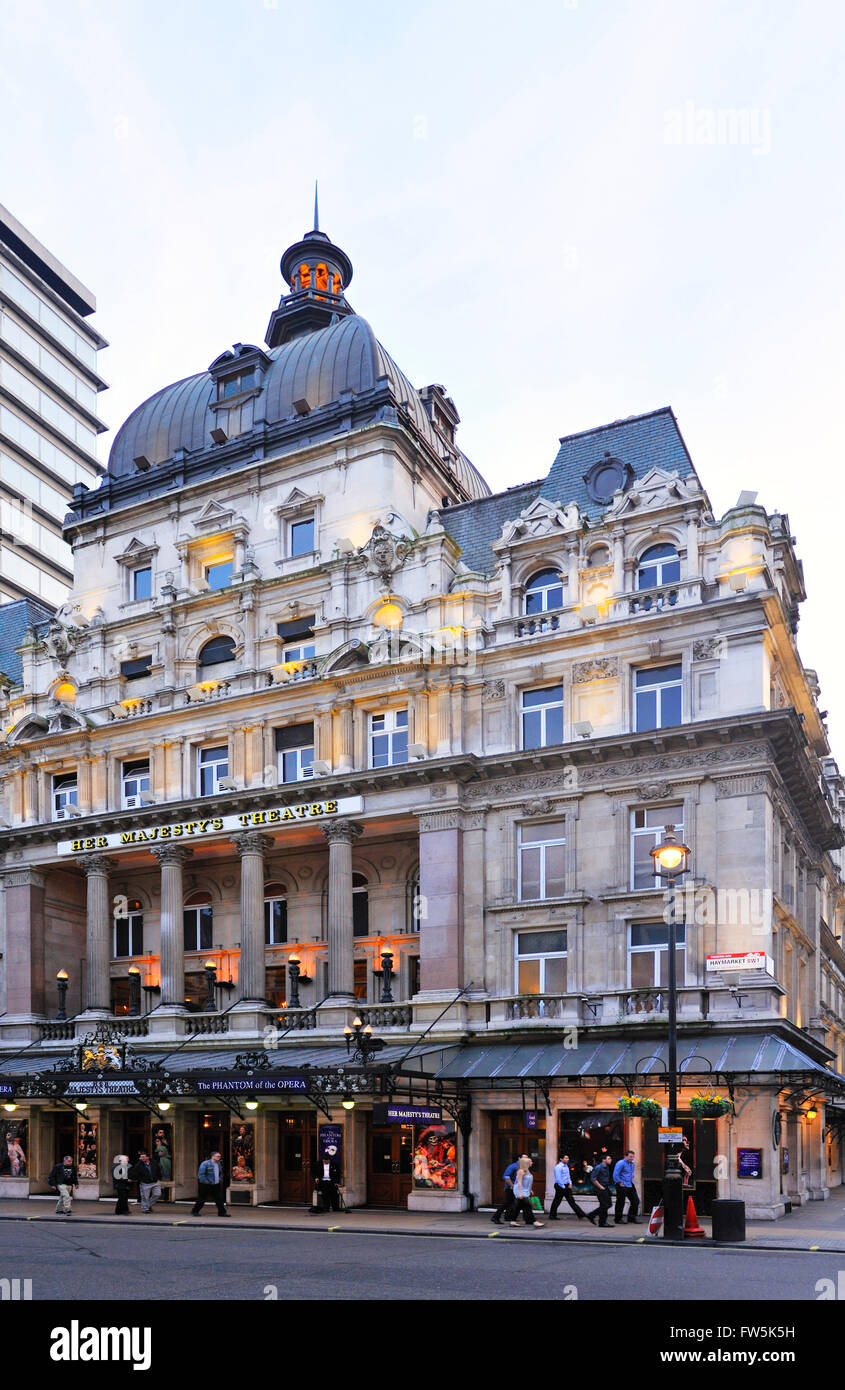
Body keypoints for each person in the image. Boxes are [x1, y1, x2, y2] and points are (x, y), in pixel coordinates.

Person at [549, 1153, 586, 1220]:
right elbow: (558, 1178)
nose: (567, 1159)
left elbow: (568, 1176)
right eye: (566, 1158)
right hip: (560, 1186)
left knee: (571, 1201)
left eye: (568, 1158)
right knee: (557, 1201)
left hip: (566, 1185)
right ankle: (552, 1215)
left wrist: (570, 1183)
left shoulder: (566, 1166)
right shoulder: (558, 1167)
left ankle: (580, 1214)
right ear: (561, 1159)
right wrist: (563, 1187)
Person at [509, 1156, 544, 1227]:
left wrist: (530, 1190)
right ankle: (534, 1221)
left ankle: (512, 1221)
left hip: (525, 1190)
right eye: (530, 1161)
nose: (532, 1162)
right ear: (525, 1163)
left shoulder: (527, 1171)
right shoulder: (521, 1171)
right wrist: (520, 1193)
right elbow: (519, 1183)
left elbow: (527, 1182)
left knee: (519, 1206)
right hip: (520, 1190)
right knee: (528, 1206)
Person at [192, 1151, 230, 1216]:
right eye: (218, 1156)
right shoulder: (205, 1163)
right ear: (213, 1156)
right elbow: (201, 1175)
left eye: (219, 1156)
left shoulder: (218, 1164)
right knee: (202, 1198)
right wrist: (207, 1182)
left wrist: (219, 1179)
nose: (219, 1157)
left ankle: (222, 1213)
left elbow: (220, 1173)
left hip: (216, 1184)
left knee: (219, 1198)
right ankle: (195, 1211)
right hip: (206, 1184)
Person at [491, 1153, 525, 1224]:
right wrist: (512, 1186)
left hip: (515, 1188)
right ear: (519, 1159)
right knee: (507, 1203)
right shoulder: (513, 1166)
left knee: (512, 1203)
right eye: (524, 1157)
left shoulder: (521, 1166)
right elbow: (506, 1177)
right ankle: (495, 1217)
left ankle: (508, 1217)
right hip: (510, 1188)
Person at [612, 1149, 640, 1224]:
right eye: (630, 1157)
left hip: (630, 1184)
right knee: (620, 1202)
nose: (632, 1158)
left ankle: (631, 1217)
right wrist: (619, 1182)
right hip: (622, 1184)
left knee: (635, 1201)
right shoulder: (620, 1163)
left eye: (633, 1157)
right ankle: (617, 1219)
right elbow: (615, 1174)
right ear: (626, 1156)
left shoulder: (632, 1163)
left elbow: (631, 1173)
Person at [587, 1152, 614, 1226]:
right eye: (609, 1158)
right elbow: (593, 1178)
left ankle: (591, 1215)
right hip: (600, 1188)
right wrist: (600, 1187)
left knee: (608, 1204)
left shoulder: (606, 1167)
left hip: (605, 1187)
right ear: (603, 1160)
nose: (610, 1160)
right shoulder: (599, 1167)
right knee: (604, 1205)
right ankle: (602, 1222)